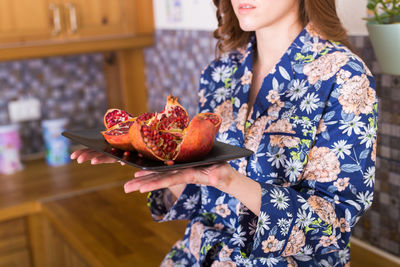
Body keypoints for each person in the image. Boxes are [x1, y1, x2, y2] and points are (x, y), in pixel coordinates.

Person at [71, 0, 378, 266]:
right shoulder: (222, 72)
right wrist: (145, 153)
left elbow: (333, 225)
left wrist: (230, 180)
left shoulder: (346, 77)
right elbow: (207, 200)